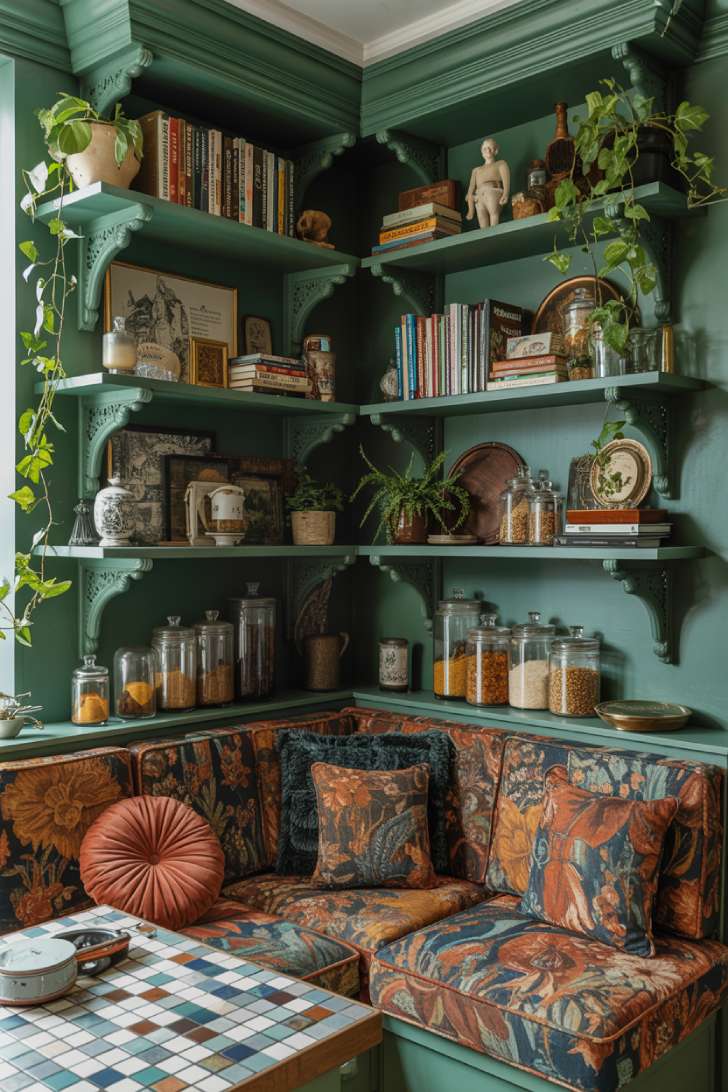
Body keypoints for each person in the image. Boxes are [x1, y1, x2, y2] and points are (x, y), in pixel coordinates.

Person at [465, 137, 510, 229]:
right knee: (482, 220)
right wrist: (470, 200)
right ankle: (472, 213)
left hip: (492, 193)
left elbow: (506, 179)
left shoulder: (501, 164)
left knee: (494, 215)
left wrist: (506, 194)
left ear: (496, 150)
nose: (488, 150)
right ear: (481, 151)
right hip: (479, 196)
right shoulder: (476, 170)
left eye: (490, 148)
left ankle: (494, 232)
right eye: (485, 148)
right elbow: (471, 187)